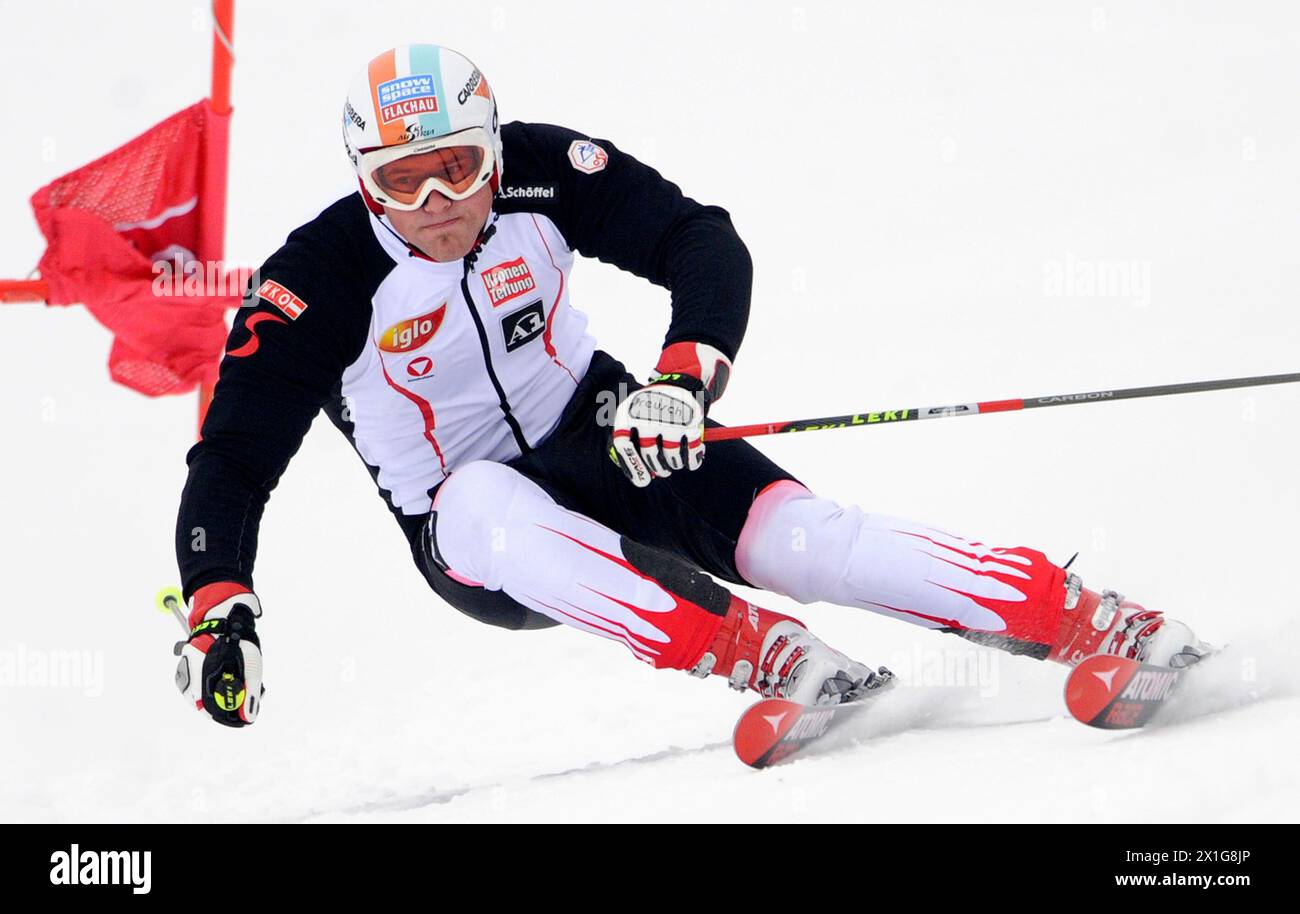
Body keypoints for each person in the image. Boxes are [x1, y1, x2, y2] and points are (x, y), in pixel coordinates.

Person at [173, 44, 1210, 727]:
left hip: (604, 427)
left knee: (799, 537)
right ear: (363, 179)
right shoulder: (317, 276)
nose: (438, 201)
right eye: (402, 181)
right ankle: (760, 655)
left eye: (457, 166)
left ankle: (1099, 621)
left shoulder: (542, 170)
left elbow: (694, 238)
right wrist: (220, 604)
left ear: (494, 149)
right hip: (472, 525)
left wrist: (681, 376)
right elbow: (234, 456)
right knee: (485, 500)